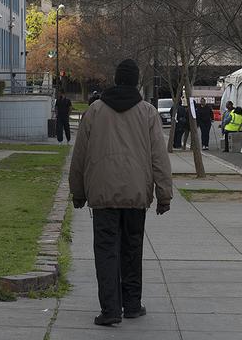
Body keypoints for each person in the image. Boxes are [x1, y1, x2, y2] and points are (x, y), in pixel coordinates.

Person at [69, 59, 173, 327]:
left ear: (116, 79)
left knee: (106, 252)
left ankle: (110, 309)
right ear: (136, 81)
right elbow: (159, 157)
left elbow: (79, 155)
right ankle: (133, 304)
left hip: (102, 194)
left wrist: (78, 192)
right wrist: (164, 194)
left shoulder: (94, 111)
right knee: (132, 249)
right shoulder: (148, 113)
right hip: (137, 194)